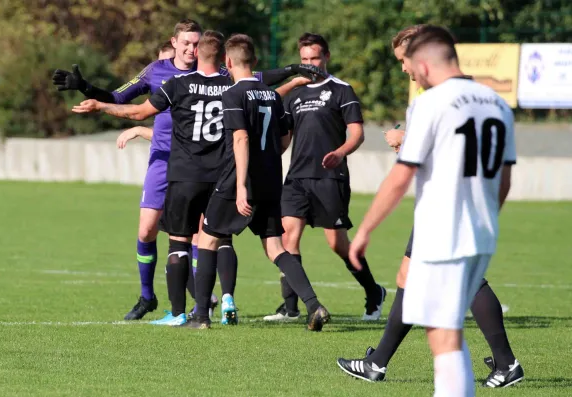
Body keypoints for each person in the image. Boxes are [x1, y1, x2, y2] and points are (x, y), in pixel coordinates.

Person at [54, 19, 326, 321]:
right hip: (177, 163)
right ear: (174, 43)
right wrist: (86, 88)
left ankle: (202, 308)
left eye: (196, 43)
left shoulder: (213, 81)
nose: (190, 48)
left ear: (206, 50)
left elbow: (250, 86)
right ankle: (156, 298)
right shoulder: (161, 72)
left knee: (198, 239)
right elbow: (121, 97)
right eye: (186, 42)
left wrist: (290, 71)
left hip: (202, 170)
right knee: (153, 230)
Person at [336, 25, 518, 395]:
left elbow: (402, 176)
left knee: (444, 333)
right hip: (481, 229)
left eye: (407, 64)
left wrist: (366, 230)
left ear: (424, 61)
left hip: (442, 224)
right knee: (440, 318)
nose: (408, 72)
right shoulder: (496, 102)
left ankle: (498, 366)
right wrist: (487, 218)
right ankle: (379, 362)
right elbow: (504, 177)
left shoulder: (431, 104)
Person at [188, 33, 331, 330]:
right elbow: (282, 140)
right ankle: (314, 305)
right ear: (254, 62)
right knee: (276, 248)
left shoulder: (232, 95)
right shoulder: (270, 95)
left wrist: (240, 185)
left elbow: (239, 137)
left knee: (207, 238)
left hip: (237, 181)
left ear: (228, 63)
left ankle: (201, 316)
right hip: (270, 182)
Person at [263, 33, 385, 322]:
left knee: (337, 244)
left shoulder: (341, 90)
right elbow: (275, 117)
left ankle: (373, 292)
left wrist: (341, 152)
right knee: (288, 236)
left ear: (326, 57)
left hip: (331, 177)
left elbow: (357, 133)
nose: (310, 64)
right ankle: (291, 307)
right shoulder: (294, 93)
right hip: (296, 178)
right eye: (304, 60)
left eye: (314, 58)